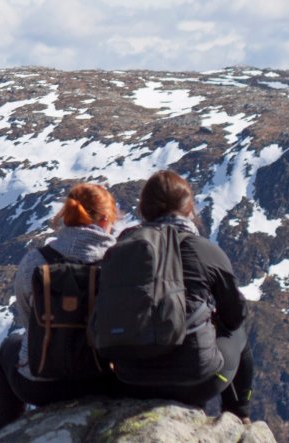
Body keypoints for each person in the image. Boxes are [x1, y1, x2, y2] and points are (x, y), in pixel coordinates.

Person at [107, 170, 255, 418]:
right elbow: (236, 315)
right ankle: (239, 416)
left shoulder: (123, 247)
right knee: (237, 333)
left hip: (129, 381)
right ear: (189, 209)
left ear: (144, 208)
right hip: (196, 383)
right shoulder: (204, 250)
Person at [0, 183, 122, 431]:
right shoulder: (118, 263)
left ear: (67, 216)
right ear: (106, 220)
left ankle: (5, 433)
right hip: (102, 380)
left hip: (41, 385)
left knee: (10, 346)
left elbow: (28, 317)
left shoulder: (36, 261)